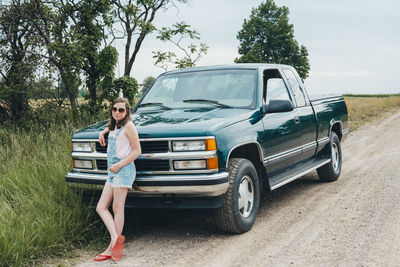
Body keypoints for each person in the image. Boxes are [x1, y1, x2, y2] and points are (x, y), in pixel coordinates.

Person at [94, 97, 141, 262]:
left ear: (127, 111)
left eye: (121, 110)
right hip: (112, 171)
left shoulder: (129, 126)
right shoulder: (114, 126)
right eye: (114, 109)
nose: (117, 112)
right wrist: (102, 132)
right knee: (100, 207)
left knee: (117, 207)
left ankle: (111, 246)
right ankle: (116, 238)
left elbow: (137, 151)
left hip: (124, 169)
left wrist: (119, 165)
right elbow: (110, 128)